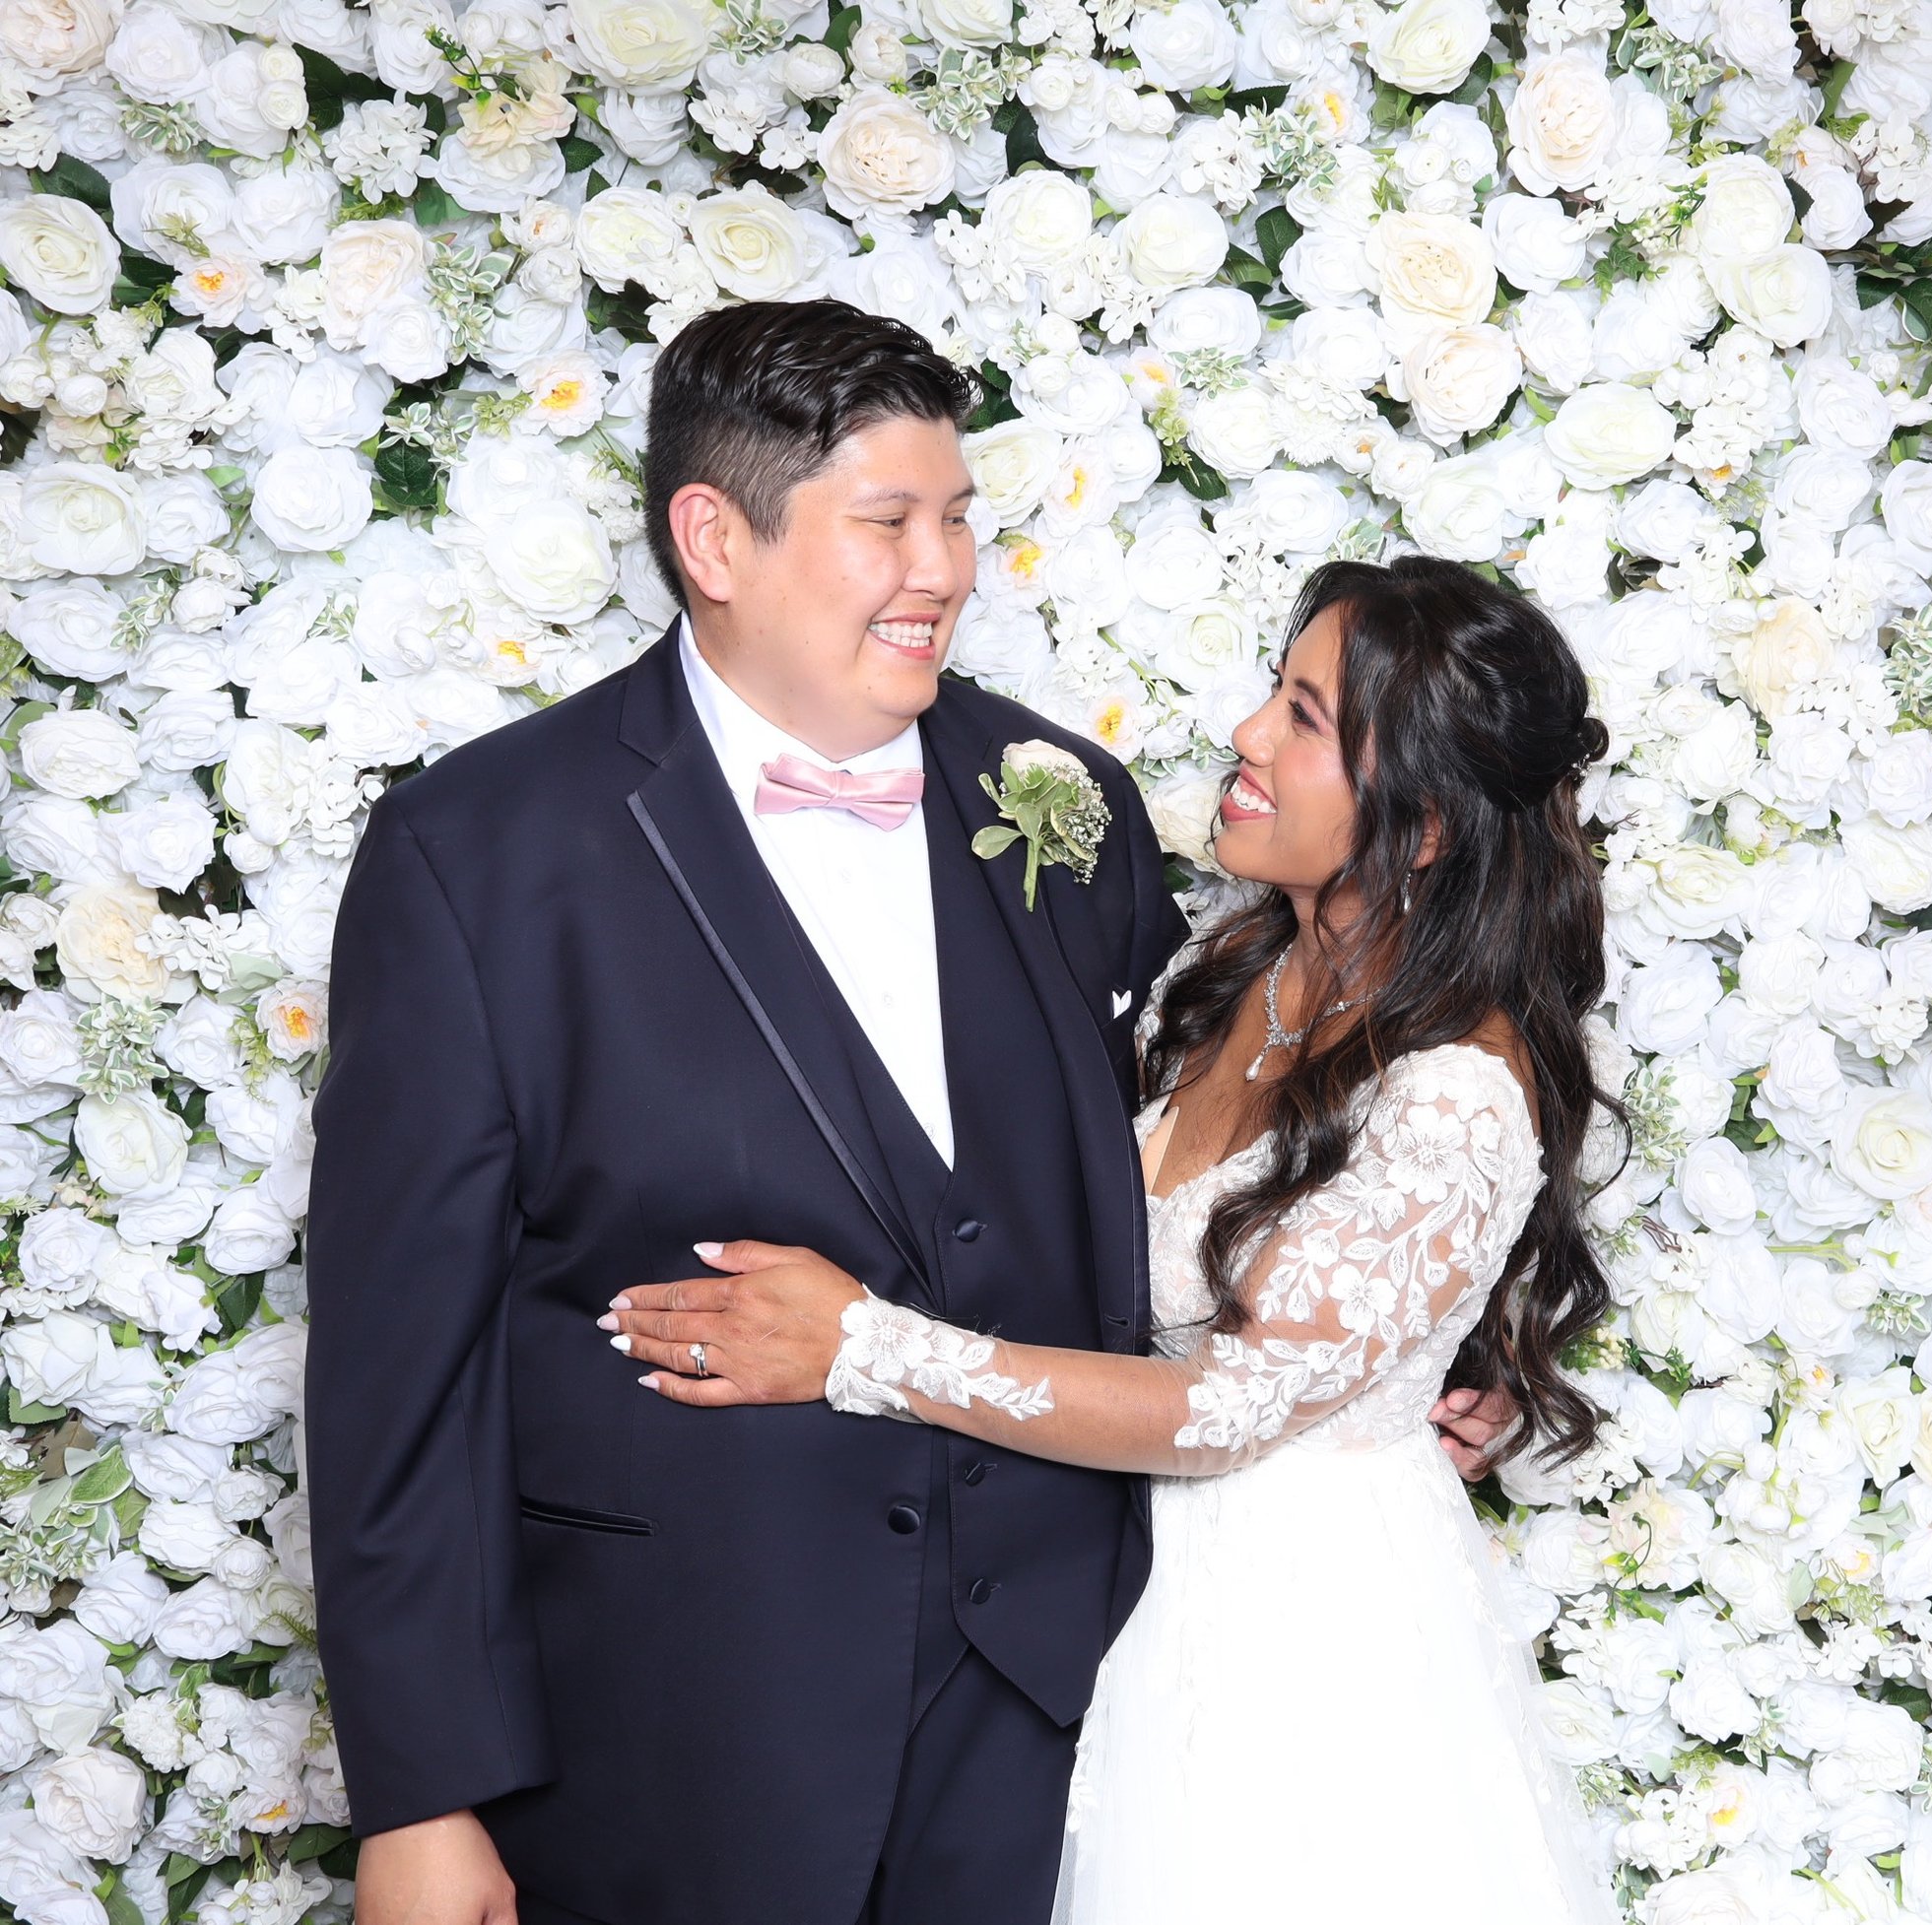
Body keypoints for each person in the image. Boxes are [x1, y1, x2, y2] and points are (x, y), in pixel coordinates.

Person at [305, 299, 1513, 1925]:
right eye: (888, 522)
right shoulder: (478, 853)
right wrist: (421, 1796)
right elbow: (398, 1366)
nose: (942, 568)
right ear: (713, 538)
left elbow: (1229, 1141)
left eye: (956, 517)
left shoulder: (1059, 802)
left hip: (1066, 1713)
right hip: (675, 1721)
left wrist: (1414, 1347)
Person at [604, 554, 1624, 1923]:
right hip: (1104, 1577)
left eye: (1307, 718)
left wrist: (861, 1346)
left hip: (1290, 1645)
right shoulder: (1240, 966)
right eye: (1276, 688)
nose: (1249, 735)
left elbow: (1232, 1408)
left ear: (1428, 824)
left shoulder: (1453, 1090)